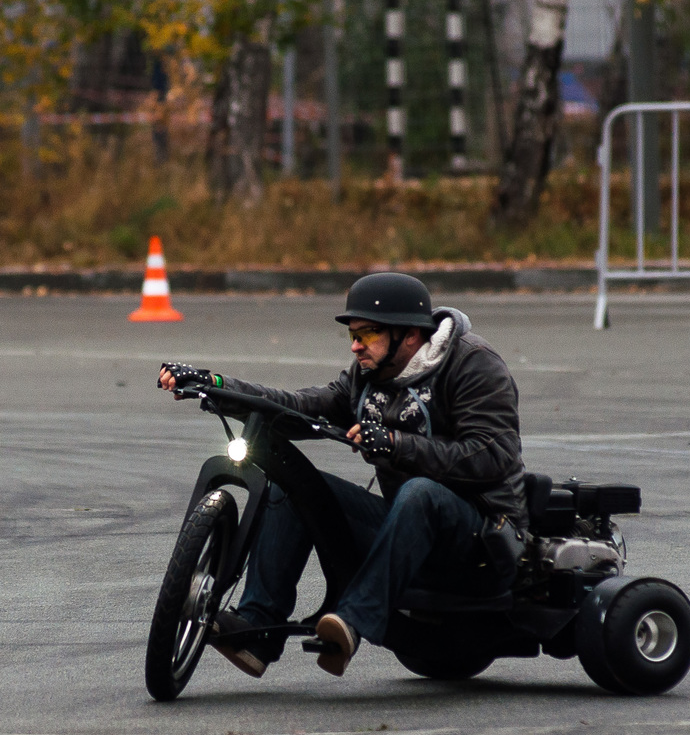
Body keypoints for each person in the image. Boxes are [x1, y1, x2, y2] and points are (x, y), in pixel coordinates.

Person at [157, 272, 526, 678]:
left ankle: (352, 622)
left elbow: (494, 456)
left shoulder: (473, 365)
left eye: (367, 334)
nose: (355, 345)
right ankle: (257, 627)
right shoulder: (366, 376)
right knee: (296, 485)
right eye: (352, 334)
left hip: (481, 541)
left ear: (409, 334)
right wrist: (218, 387)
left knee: (421, 491)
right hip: (407, 528)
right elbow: (299, 407)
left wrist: (396, 444)